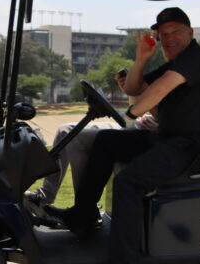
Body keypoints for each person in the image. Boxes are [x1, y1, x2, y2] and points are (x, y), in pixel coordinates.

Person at [45, 7, 200, 264]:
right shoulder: (175, 62)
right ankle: (81, 218)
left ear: (190, 33)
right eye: (163, 34)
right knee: (105, 140)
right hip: (170, 140)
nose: (168, 38)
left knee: (129, 182)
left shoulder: (197, 60)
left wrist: (132, 113)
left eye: (175, 32)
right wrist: (142, 58)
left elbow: (157, 91)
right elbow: (134, 86)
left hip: (195, 147)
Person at [24, 74, 158, 213]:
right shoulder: (162, 75)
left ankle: (83, 211)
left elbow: (159, 114)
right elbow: (136, 110)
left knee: (79, 136)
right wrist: (131, 90)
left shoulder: (172, 78)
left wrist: (140, 90)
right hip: (137, 124)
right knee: (65, 131)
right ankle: (44, 196)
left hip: (147, 133)